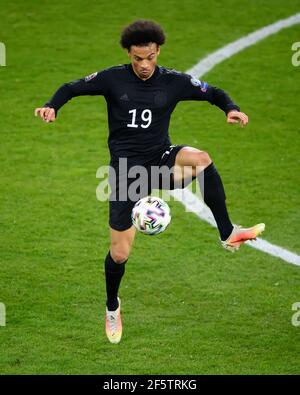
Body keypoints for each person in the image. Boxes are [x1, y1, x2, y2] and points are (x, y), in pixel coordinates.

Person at [34, 19, 265, 344]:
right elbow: (72, 87)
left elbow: (212, 92)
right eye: (137, 59)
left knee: (201, 159)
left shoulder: (173, 81)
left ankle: (227, 232)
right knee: (119, 255)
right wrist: (51, 106)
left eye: (150, 58)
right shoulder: (112, 79)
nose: (144, 65)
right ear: (129, 54)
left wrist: (231, 108)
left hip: (161, 160)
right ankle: (112, 306)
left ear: (158, 52)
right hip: (127, 175)